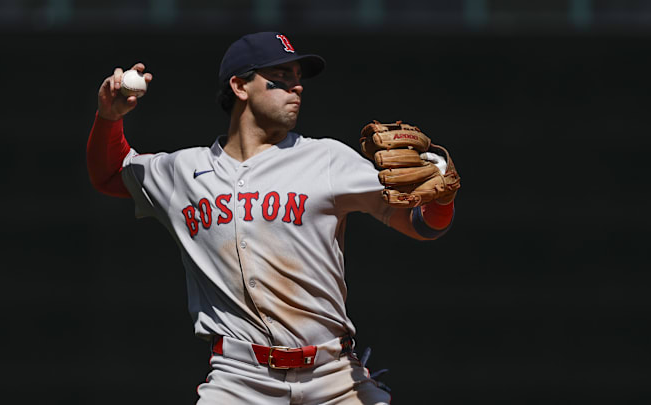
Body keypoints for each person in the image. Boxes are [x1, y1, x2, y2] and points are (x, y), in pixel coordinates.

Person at [87, 32, 456, 404]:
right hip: (239, 379)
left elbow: (422, 224)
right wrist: (108, 118)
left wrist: (442, 198)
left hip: (335, 378)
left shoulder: (327, 158)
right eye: (280, 77)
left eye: (299, 78)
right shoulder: (183, 171)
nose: (296, 87)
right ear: (239, 86)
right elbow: (108, 174)